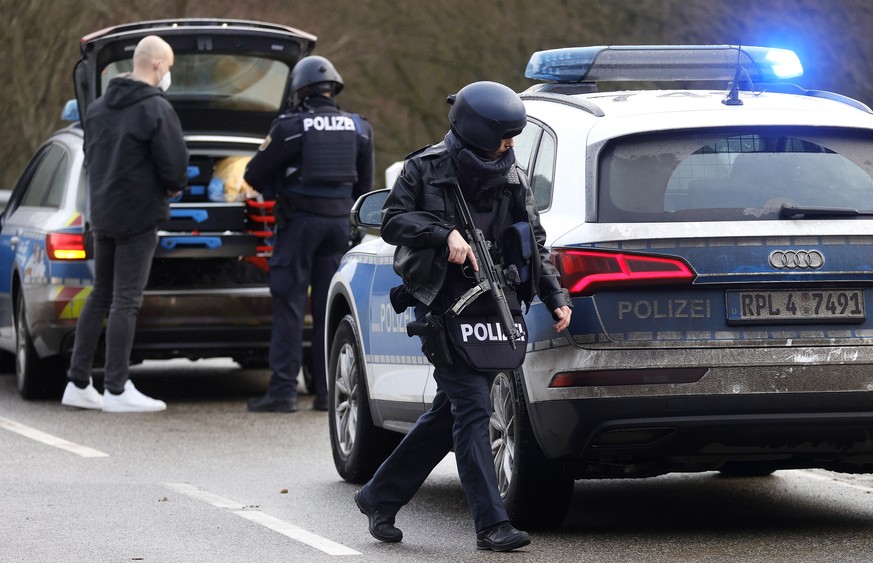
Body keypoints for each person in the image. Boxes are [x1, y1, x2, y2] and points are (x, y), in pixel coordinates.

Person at [353, 81, 572, 552]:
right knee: (473, 408)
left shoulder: (512, 177)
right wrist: (443, 233)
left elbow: (534, 240)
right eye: (505, 135)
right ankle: (492, 525)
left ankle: (379, 495)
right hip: (443, 305)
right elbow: (392, 221)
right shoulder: (424, 167)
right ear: (476, 130)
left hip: (494, 303)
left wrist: (557, 295)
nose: (511, 144)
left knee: (449, 413)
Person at [61, 35, 188, 412]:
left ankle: (78, 381)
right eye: (169, 66)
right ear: (157, 65)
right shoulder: (156, 109)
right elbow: (175, 167)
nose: (168, 73)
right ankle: (116, 388)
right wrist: (171, 187)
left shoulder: (98, 108)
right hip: (139, 217)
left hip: (103, 214)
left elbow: (91, 159)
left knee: (100, 293)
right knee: (125, 300)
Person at [244, 55, 375, 413]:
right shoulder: (360, 127)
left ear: (300, 91)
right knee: (328, 312)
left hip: (299, 226)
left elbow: (254, 175)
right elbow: (364, 188)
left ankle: (283, 392)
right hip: (338, 229)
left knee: (288, 306)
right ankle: (326, 393)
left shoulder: (291, 127)